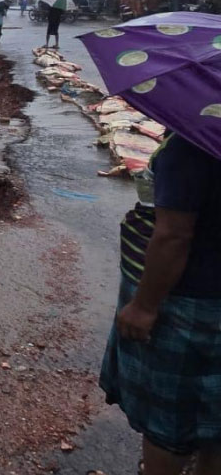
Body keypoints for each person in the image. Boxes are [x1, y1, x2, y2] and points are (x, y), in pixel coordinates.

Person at [101, 133, 221, 474]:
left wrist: (144, 306)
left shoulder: (192, 146)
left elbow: (173, 235)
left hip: (186, 305)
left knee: (168, 423)